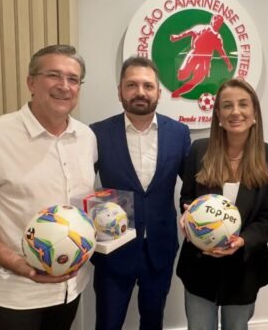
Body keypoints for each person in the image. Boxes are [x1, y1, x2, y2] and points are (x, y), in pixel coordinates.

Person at [0, 45, 96, 330]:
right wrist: (20, 265)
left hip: (69, 291)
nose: (64, 86)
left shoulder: (86, 137)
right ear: (31, 83)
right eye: (54, 75)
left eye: (73, 79)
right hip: (12, 296)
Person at [90, 56, 191, 330]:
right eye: (131, 85)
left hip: (160, 247)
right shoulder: (96, 134)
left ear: (159, 92)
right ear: (120, 91)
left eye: (148, 86)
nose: (140, 92)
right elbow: (81, 187)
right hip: (114, 248)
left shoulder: (179, 133)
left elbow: (192, 187)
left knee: (153, 321)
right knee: (108, 323)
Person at [177, 78, 268, 330]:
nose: (235, 111)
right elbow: (187, 198)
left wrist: (242, 241)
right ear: (218, 115)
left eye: (243, 104)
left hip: (244, 269)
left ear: (254, 113)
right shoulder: (199, 151)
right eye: (227, 106)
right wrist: (187, 216)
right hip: (199, 264)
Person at [169, 14, 233, 98]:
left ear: (220, 25)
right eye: (216, 21)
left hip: (205, 60)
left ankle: (178, 92)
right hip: (194, 54)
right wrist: (178, 37)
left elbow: (222, 52)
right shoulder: (201, 28)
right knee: (182, 75)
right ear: (212, 20)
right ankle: (180, 81)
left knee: (197, 79)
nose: (217, 24)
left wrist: (228, 64)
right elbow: (190, 32)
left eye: (219, 23)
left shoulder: (217, 37)